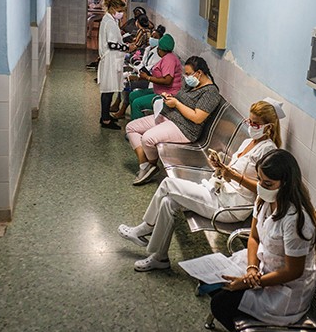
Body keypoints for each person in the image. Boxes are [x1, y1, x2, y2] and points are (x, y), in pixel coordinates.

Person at [118, 99, 285, 271]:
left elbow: (264, 190)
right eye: (249, 121)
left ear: (269, 127)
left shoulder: (268, 151)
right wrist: (220, 167)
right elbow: (234, 171)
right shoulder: (248, 142)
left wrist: (234, 176)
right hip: (219, 192)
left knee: (168, 184)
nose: (250, 125)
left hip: (232, 206)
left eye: (255, 124)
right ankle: (159, 257)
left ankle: (145, 228)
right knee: (169, 203)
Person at [209, 149, 316, 332]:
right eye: (259, 179)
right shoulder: (264, 201)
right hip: (262, 268)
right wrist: (252, 268)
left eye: (268, 184)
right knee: (215, 284)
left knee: (220, 304)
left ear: (286, 184)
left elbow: (293, 271)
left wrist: (251, 282)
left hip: (285, 290)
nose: (260, 187)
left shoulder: (296, 220)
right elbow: (253, 237)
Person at [125, 56, 222, 185]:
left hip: (184, 128)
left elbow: (198, 117)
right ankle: (146, 166)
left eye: (188, 74)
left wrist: (176, 103)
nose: (186, 77)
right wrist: (169, 98)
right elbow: (180, 98)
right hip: (168, 116)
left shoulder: (211, 92)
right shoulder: (191, 85)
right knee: (131, 127)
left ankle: (152, 164)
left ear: (199, 73)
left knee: (147, 139)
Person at [126, 34, 182, 117]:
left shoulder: (169, 60)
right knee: (133, 95)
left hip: (167, 95)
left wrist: (147, 77)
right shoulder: (166, 58)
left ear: (161, 49)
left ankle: (138, 127)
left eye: (158, 48)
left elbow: (167, 80)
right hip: (158, 90)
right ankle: (136, 120)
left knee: (137, 103)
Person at [97, 0, 129, 129]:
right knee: (108, 91)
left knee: (108, 90)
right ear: (114, 9)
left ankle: (105, 116)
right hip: (110, 59)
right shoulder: (109, 22)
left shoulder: (110, 19)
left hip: (111, 59)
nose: (122, 14)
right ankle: (105, 120)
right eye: (120, 11)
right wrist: (127, 47)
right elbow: (112, 44)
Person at [86, 0, 104, 70]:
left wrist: (98, 8)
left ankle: (93, 33)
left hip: (99, 15)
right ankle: (89, 32)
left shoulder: (102, 1)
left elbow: (103, 8)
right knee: (90, 20)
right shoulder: (90, 0)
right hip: (92, 14)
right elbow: (87, 6)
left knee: (93, 19)